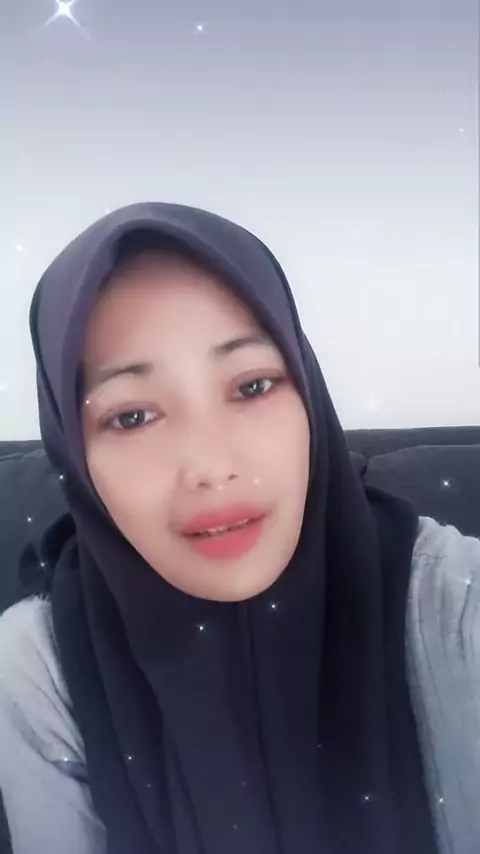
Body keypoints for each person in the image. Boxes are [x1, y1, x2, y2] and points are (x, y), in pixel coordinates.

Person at [0, 203, 478, 854]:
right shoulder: (40, 667)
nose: (211, 466)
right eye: (132, 417)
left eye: (253, 386)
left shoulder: (454, 601)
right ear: (74, 455)